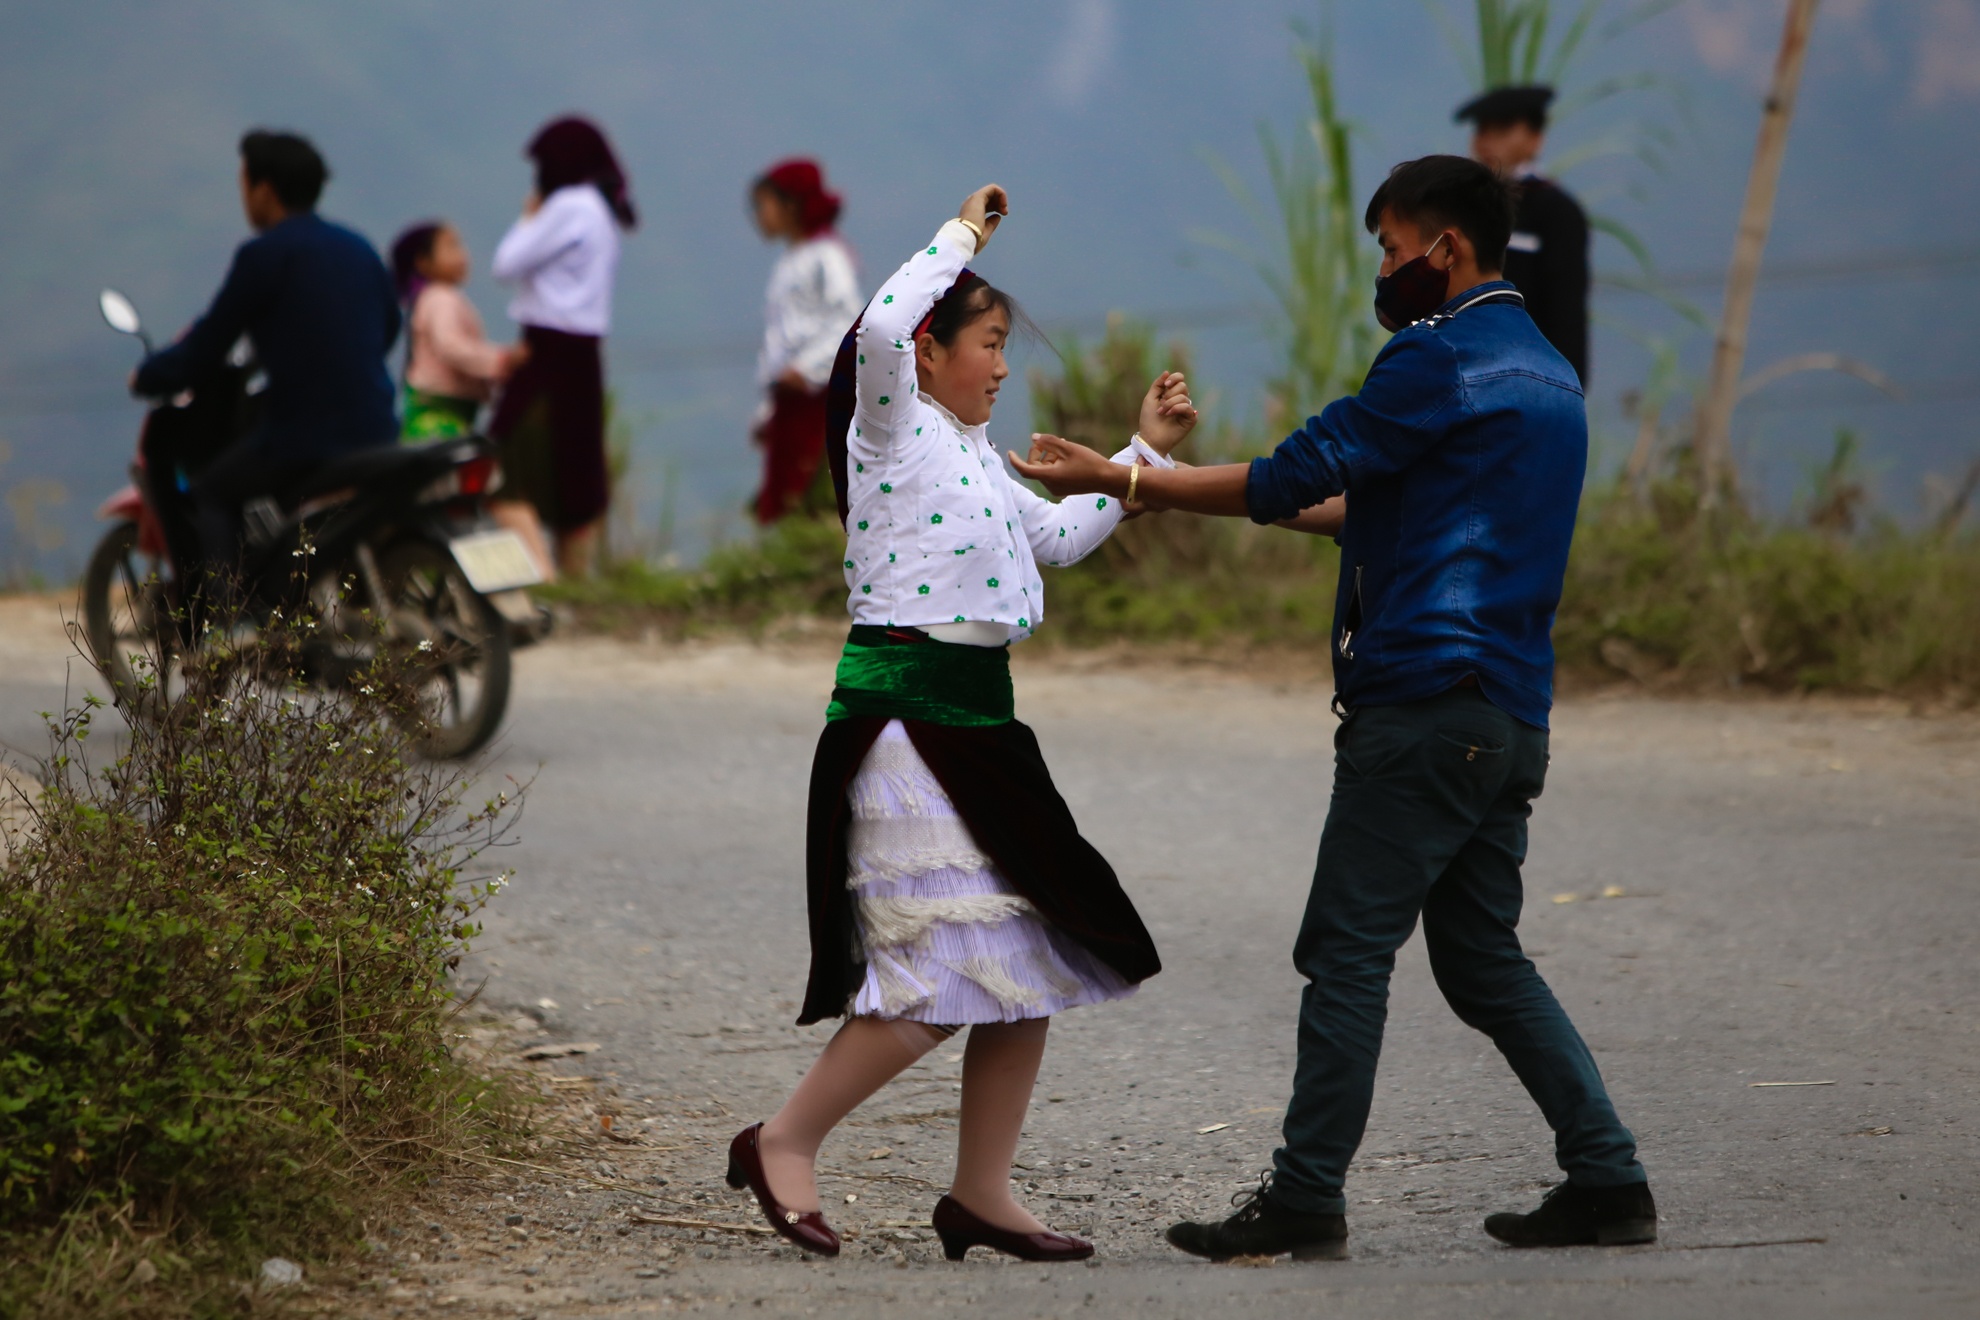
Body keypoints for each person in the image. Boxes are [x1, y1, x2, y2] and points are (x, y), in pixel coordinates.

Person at [1011, 156, 1655, 1260]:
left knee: (1346, 951)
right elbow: (1372, 506)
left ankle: (1306, 1196)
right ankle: (1608, 1177)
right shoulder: (1545, 372)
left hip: (1422, 705)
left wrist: (1129, 482)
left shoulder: (1435, 356)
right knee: (1483, 959)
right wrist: (1146, 486)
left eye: (1392, 248)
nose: (1385, 269)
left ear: (1445, 248)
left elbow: (1292, 475)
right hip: (1508, 718)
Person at [726, 184, 1197, 1265]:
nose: (999, 365)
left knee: (1030, 953)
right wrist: (964, 236)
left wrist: (1145, 452)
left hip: (983, 725)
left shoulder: (976, 455)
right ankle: (783, 1140)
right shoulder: (886, 425)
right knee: (939, 972)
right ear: (929, 353)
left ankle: (981, 1193)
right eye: (987, 343)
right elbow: (879, 323)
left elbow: (1065, 539)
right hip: (902, 718)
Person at [132, 129, 399, 570]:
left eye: (244, 185)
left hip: (304, 435)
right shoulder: (359, 247)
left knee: (211, 494)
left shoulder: (263, 256)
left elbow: (207, 343)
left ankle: (231, 619)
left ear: (265, 190)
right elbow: (387, 327)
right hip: (378, 425)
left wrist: (148, 375)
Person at [488, 116, 635, 579]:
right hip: (584, 357)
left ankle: (544, 583)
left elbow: (505, 264)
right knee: (575, 477)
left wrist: (529, 216)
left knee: (503, 472)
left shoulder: (569, 205)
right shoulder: (601, 209)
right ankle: (575, 586)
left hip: (547, 355)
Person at [390, 222, 552, 580]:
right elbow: (451, 347)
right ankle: (537, 572)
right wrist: (503, 361)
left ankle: (516, 575)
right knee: (493, 492)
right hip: (437, 418)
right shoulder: (440, 300)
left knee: (474, 499)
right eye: (450, 246)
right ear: (423, 262)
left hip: (448, 416)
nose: (462, 255)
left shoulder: (437, 299)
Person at [749, 158, 863, 523]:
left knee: (808, 490)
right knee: (782, 497)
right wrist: (768, 409)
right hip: (790, 393)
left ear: (791, 206)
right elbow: (780, 340)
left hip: (816, 393)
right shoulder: (789, 261)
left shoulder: (827, 256)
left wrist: (806, 368)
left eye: (764, 205)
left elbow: (847, 320)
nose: (758, 216)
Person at [1457, 85, 1590, 385]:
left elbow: (1566, 314)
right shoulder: (1461, 207)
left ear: (1534, 139)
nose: (1487, 142)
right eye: (1482, 131)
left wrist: (1563, 386)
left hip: (1527, 377)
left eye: (1502, 131)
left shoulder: (1555, 211)